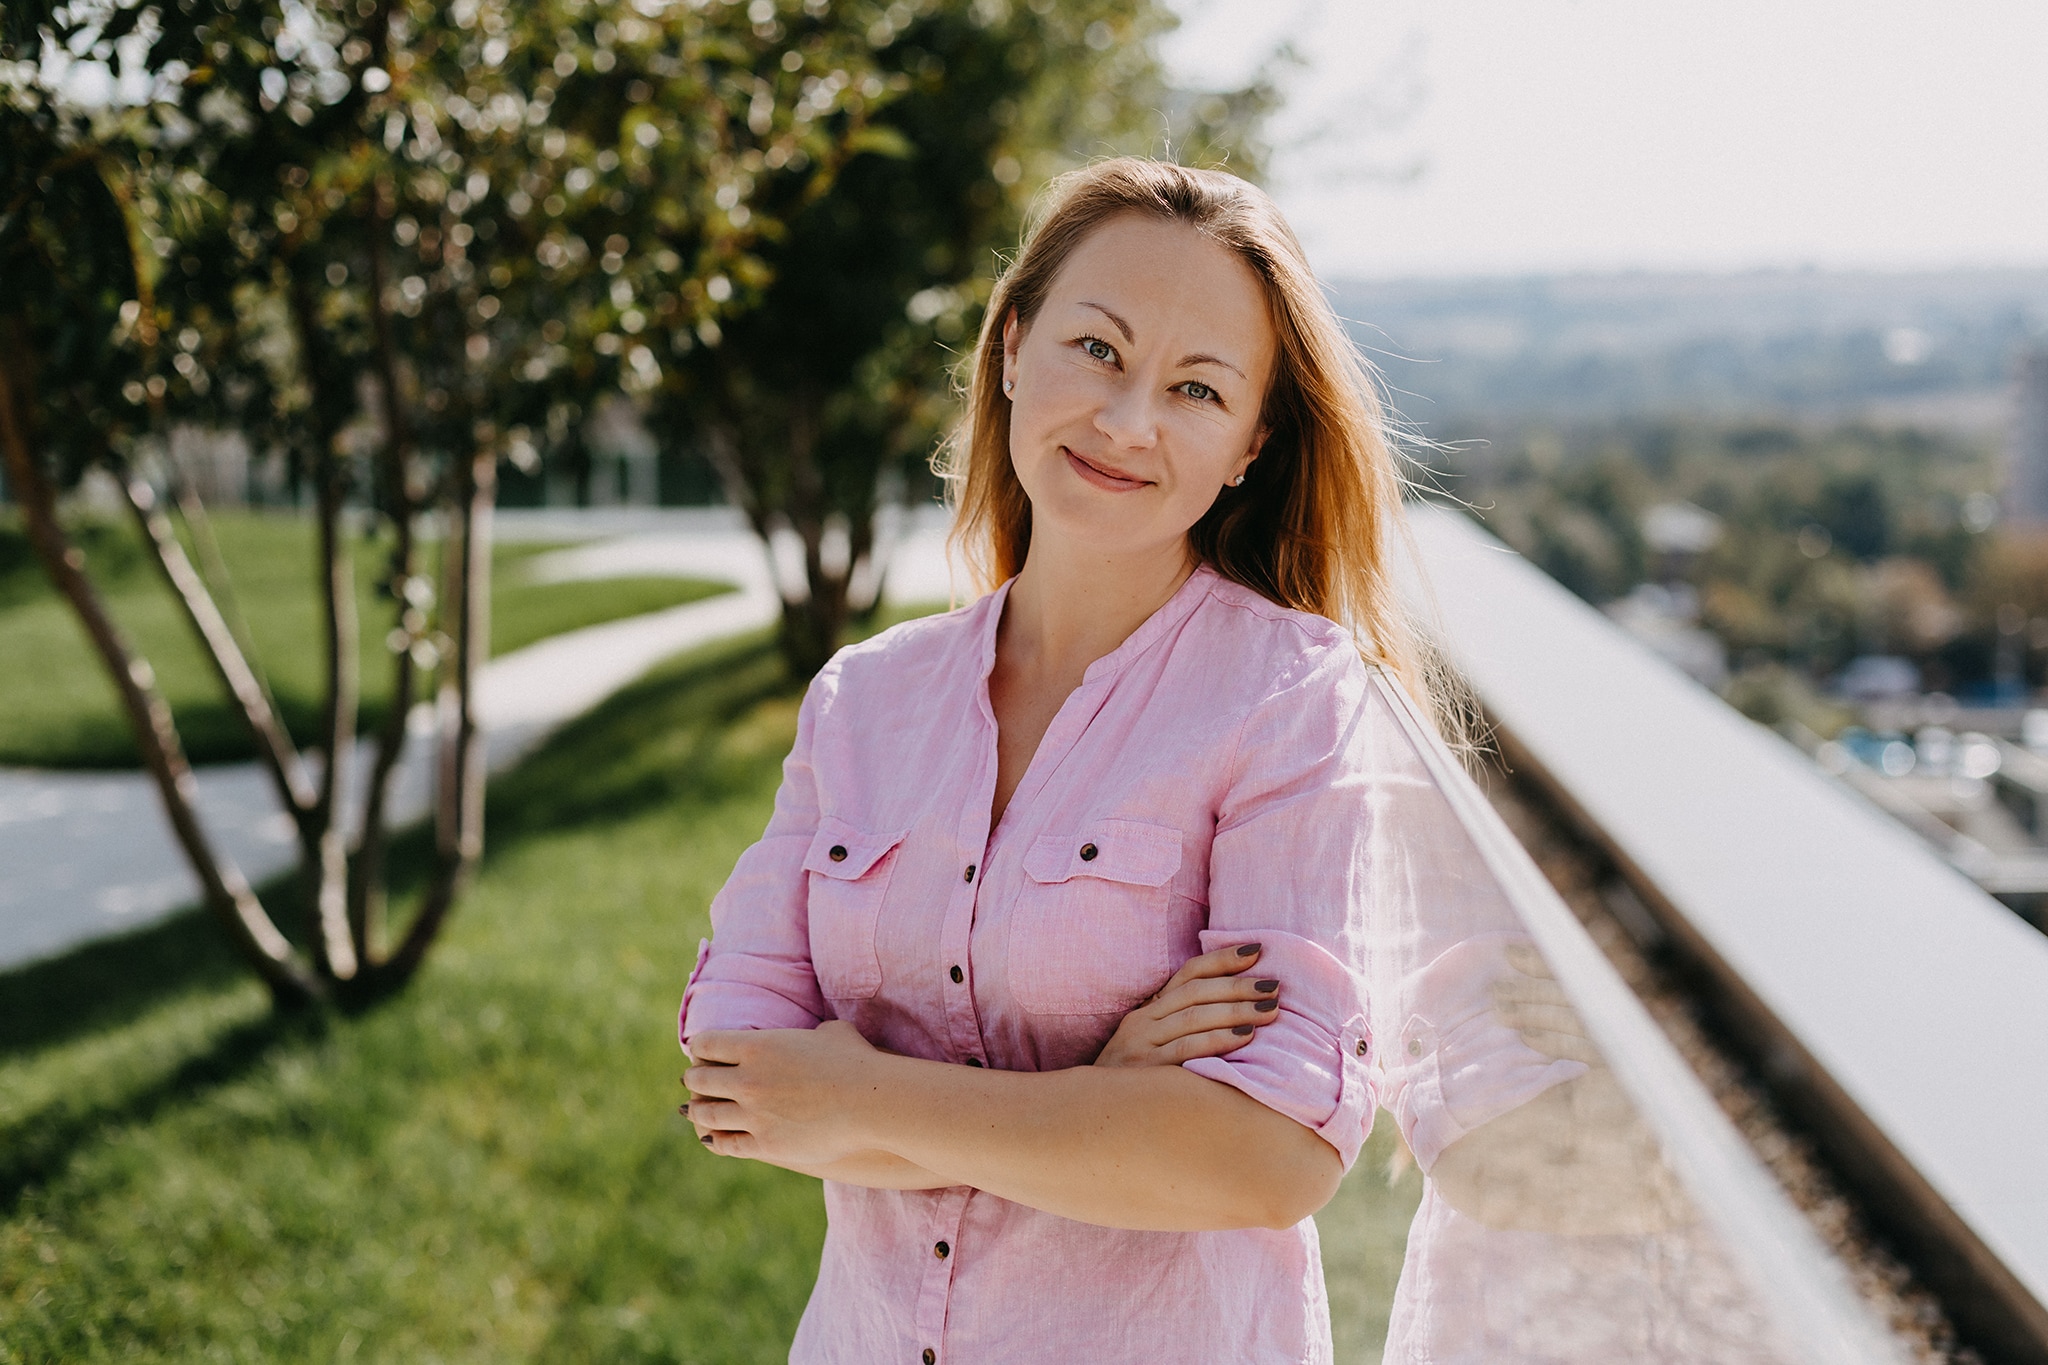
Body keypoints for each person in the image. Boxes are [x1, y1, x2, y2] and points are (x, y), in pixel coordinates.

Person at [677, 156, 1453, 1363]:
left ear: (1250, 444)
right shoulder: (862, 701)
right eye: (1096, 349)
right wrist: (1106, 1092)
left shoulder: (1289, 699)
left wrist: (863, 1098)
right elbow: (740, 1087)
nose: (1127, 422)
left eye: (1196, 389)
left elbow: (1267, 1157)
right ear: (1011, 349)